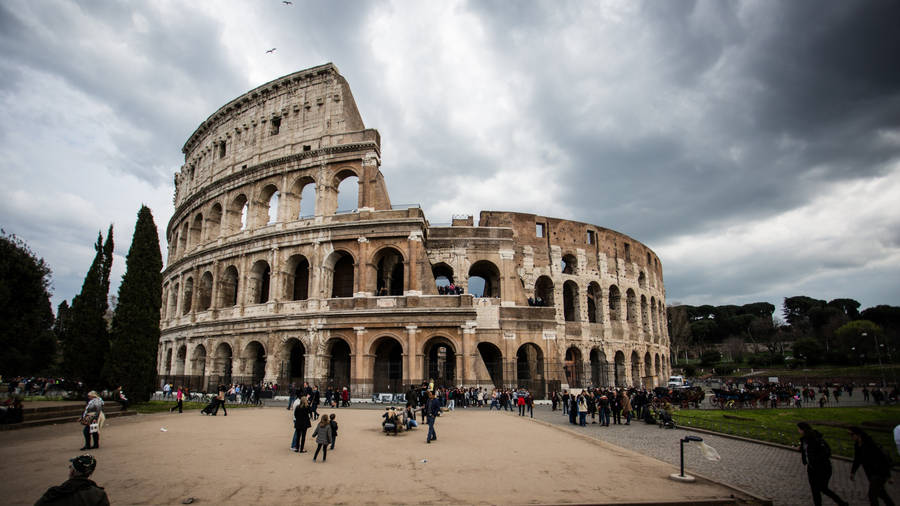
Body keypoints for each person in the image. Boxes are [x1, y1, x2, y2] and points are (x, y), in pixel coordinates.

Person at [797, 422, 848, 506]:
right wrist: (801, 450)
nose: (798, 431)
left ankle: (841, 503)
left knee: (823, 488)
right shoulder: (804, 439)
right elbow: (807, 450)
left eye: (799, 429)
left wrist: (816, 459)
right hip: (811, 468)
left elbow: (826, 452)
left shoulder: (816, 439)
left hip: (822, 468)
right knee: (814, 490)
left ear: (803, 430)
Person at [35, 454, 109, 506]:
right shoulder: (98, 494)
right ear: (91, 472)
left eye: (71, 467)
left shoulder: (54, 493)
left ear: (72, 471)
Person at [849, 426, 895, 506]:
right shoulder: (857, 445)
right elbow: (857, 459)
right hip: (870, 473)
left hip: (879, 472)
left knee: (872, 495)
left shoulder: (869, 444)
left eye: (852, 434)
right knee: (881, 493)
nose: (851, 436)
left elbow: (882, 458)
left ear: (858, 435)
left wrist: (888, 476)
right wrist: (853, 472)